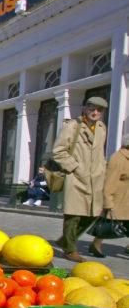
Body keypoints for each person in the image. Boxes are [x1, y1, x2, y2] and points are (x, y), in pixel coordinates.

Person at [51, 96, 108, 262]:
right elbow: (58, 151)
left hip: (96, 179)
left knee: (94, 213)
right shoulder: (73, 125)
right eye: (92, 108)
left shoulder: (102, 128)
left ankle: (65, 240)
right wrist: (74, 167)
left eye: (99, 110)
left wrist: (102, 170)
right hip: (76, 177)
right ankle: (69, 249)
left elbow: (99, 154)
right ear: (85, 108)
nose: (95, 112)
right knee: (73, 215)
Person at [90, 132, 129, 257]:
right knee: (109, 224)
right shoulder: (118, 158)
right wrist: (108, 201)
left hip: (126, 199)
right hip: (119, 200)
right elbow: (109, 182)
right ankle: (96, 244)